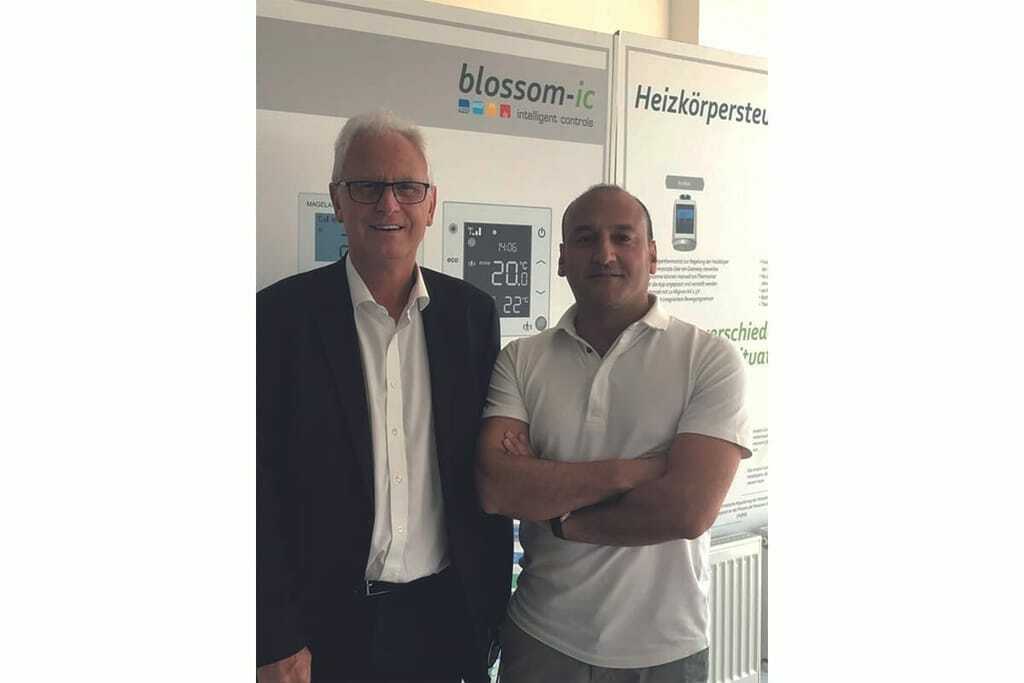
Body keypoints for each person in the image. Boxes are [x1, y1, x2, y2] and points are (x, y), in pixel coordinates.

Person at [258, 110, 512, 683]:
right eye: (367, 187)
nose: (388, 204)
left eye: (407, 188)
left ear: (431, 203)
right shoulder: (278, 318)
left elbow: (479, 474)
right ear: (337, 200)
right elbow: (256, 487)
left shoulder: (472, 317)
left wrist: (490, 614)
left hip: (447, 619)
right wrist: (275, 636)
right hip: (321, 630)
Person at [476, 184, 751, 683]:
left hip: (666, 649)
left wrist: (563, 517)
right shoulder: (521, 359)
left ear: (652, 255)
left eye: (623, 237)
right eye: (586, 239)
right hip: (542, 639)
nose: (605, 254)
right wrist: (638, 471)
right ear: (562, 259)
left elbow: (687, 511)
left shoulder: (709, 359)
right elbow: (498, 487)